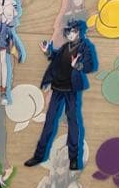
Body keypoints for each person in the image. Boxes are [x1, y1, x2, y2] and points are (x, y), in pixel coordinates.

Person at [27, 19, 98, 171]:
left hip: (72, 89)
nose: (69, 34)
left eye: (71, 31)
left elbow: (91, 65)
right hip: (58, 87)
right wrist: (48, 51)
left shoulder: (86, 46)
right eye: (68, 32)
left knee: (73, 122)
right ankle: (39, 155)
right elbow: (56, 58)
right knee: (50, 121)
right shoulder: (66, 46)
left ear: (78, 32)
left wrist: (78, 65)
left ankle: (74, 159)